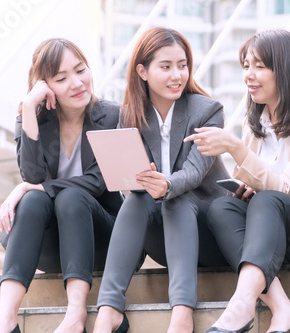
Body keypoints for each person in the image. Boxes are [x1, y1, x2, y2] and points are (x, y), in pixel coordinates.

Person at [184, 29, 290, 333]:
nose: (249, 75)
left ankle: (242, 304)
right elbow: (262, 185)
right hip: (274, 235)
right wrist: (244, 189)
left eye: (260, 66)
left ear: (285, 70)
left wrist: (236, 148)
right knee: (221, 208)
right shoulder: (257, 120)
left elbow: (286, 189)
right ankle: (282, 309)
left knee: (268, 199)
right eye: (246, 66)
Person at [92, 27, 230, 333]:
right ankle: (109, 310)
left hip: (210, 232)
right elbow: (131, 181)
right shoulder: (130, 117)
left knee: (176, 197)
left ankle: (182, 314)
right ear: (142, 71)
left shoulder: (207, 111)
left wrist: (165, 186)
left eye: (182, 65)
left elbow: (194, 174)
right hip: (166, 239)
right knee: (137, 199)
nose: (177, 75)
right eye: (166, 67)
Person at [0, 38, 123, 333]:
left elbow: (97, 182)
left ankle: (76, 315)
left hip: (104, 240)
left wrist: (27, 187)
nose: (77, 83)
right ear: (44, 85)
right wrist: (28, 110)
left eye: (81, 70)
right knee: (34, 200)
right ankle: (5, 317)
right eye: (62, 78)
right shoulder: (31, 117)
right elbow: (33, 174)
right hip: (53, 248)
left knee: (70, 197)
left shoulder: (114, 116)